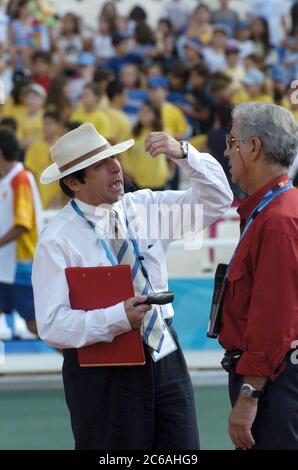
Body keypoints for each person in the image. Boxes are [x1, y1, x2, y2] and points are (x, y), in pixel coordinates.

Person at [32, 122, 233, 450]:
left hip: (164, 351)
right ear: (73, 181)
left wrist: (183, 153)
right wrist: (117, 318)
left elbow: (217, 201)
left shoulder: (146, 207)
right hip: (102, 369)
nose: (116, 168)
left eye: (114, 158)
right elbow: (52, 326)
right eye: (100, 164)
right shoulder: (57, 240)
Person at [218, 102, 298, 450]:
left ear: (252, 147)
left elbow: (273, 318)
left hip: (273, 385)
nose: (226, 150)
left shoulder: (277, 220)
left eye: (231, 140)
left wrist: (250, 393)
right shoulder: (275, 209)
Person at [0, 129, 42, 337]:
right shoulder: (7, 179)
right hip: (6, 267)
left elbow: (23, 224)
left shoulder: (20, 179)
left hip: (21, 266)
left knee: (35, 324)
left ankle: (77, 359)